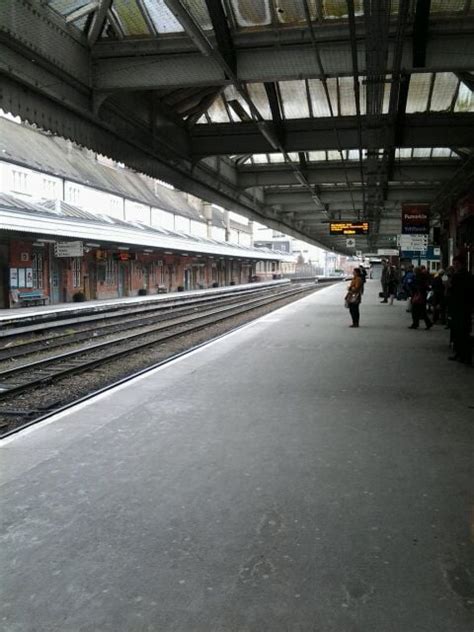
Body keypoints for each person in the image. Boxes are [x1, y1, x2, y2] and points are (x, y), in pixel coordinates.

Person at [447, 256, 473, 365]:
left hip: (459, 307)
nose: (454, 265)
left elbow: (453, 291)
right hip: (466, 307)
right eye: (454, 263)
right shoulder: (469, 275)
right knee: (464, 332)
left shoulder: (457, 276)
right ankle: (464, 355)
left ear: (461, 264)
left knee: (459, 331)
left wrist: (448, 285)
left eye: (456, 263)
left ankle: (462, 355)